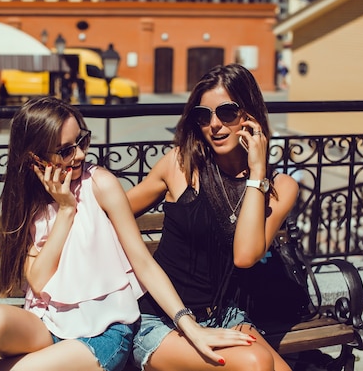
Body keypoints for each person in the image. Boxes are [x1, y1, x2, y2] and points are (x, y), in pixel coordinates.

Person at [0, 97, 255, 371]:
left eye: (82, 141)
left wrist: (190, 326)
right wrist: (66, 210)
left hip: (101, 334)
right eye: (66, 150)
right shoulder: (30, 204)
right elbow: (40, 281)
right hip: (47, 325)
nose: (81, 154)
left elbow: (143, 263)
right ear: (35, 160)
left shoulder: (100, 184)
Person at [126, 63, 298, 371]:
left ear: (249, 114)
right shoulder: (180, 165)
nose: (215, 125)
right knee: (256, 363)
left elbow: (244, 255)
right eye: (204, 116)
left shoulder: (280, 187)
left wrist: (257, 174)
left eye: (227, 112)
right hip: (161, 318)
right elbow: (114, 211)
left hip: (226, 315)